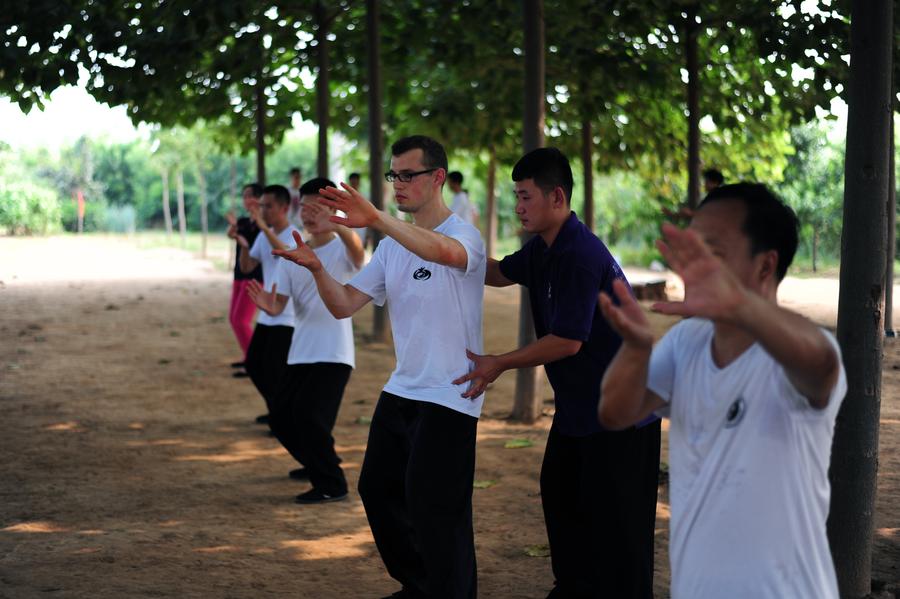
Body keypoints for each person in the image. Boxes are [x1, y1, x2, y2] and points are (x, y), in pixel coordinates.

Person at [597, 183, 847, 599]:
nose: (694, 267)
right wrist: (636, 349)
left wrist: (738, 306)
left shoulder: (796, 349)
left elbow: (822, 363)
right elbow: (615, 413)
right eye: (691, 250)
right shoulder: (686, 342)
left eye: (712, 252)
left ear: (765, 267)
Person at [274, 135, 485, 598]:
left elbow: (442, 253)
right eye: (394, 175)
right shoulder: (392, 249)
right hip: (403, 389)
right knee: (377, 489)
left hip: (452, 393)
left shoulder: (463, 235)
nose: (399, 183)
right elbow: (345, 304)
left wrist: (377, 220)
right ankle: (421, 583)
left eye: (408, 175)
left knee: (436, 506)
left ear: (437, 179)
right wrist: (316, 269)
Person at [455, 147, 659, 598]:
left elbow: (568, 341)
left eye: (526, 197)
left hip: (625, 410)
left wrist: (499, 363)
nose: (519, 207)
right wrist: (441, 251)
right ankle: (573, 587)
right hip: (580, 407)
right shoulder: (542, 249)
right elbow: (496, 273)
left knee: (620, 526)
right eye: (516, 197)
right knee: (562, 492)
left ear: (558, 196)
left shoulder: (579, 254)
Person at [247, 177, 365, 504]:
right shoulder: (293, 254)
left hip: (334, 352)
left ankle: (332, 484)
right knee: (281, 417)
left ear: (332, 208)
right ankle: (316, 463)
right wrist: (268, 306)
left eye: (318, 207)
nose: (309, 213)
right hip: (301, 351)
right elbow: (279, 304)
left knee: (310, 418)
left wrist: (339, 224)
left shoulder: (342, 248)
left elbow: (359, 256)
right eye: (305, 206)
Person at [230, 185, 299, 425]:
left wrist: (260, 227)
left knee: (275, 371)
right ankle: (277, 411)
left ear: (284, 207)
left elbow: (282, 251)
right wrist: (243, 244)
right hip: (267, 313)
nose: (263, 211)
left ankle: (282, 415)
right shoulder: (263, 233)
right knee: (253, 365)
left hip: (287, 314)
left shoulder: (294, 235)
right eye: (262, 206)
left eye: (268, 206)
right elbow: (248, 266)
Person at [225, 183, 264, 379]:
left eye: (250, 196)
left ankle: (254, 363)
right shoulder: (243, 221)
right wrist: (233, 228)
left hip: (255, 277)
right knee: (234, 319)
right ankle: (248, 356)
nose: (246, 200)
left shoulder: (264, 223)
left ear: (259, 198)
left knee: (241, 320)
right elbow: (232, 234)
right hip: (239, 275)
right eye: (245, 196)